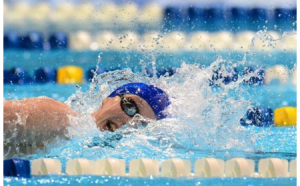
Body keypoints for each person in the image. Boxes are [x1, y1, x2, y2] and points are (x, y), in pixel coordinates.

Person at [4, 83, 170, 155]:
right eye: (130, 107)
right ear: (109, 99)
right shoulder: (60, 118)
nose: (129, 122)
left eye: (141, 124)